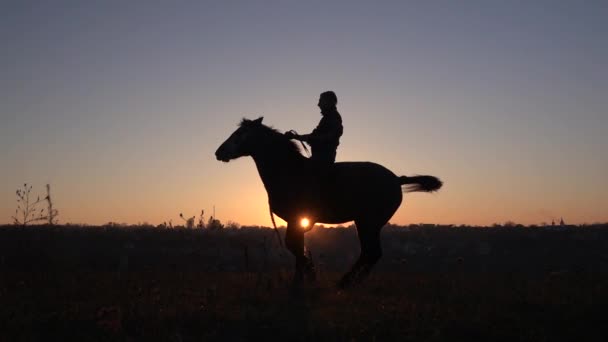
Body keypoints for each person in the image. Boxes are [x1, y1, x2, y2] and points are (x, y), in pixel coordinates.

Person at [285, 91, 343, 167]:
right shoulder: (328, 118)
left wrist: (310, 139)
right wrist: (296, 137)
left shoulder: (333, 118)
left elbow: (327, 137)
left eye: (321, 101)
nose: (318, 104)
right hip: (319, 159)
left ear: (328, 102)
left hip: (322, 160)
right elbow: (315, 136)